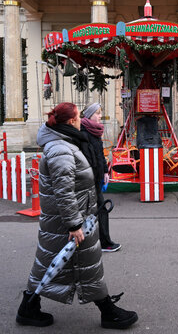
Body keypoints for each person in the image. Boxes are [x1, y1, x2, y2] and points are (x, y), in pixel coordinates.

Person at [16, 102, 138, 329]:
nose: (82, 119)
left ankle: (29, 307)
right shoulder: (61, 149)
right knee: (82, 265)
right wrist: (74, 224)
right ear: (71, 121)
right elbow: (64, 191)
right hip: (71, 221)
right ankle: (107, 312)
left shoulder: (64, 143)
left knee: (61, 264)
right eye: (78, 116)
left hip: (74, 218)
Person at [80, 102, 121, 253]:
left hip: (96, 178)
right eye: (97, 113)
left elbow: (100, 154)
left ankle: (101, 241)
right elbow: (86, 158)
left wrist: (105, 171)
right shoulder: (83, 133)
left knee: (98, 209)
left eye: (100, 112)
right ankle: (103, 242)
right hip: (88, 180)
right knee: (98, 209)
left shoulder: (95, 131)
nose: (100, 116)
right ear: (90, 115)